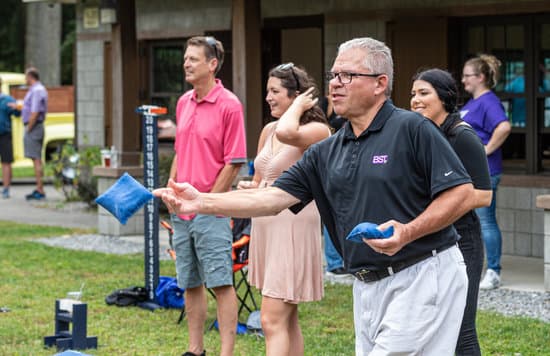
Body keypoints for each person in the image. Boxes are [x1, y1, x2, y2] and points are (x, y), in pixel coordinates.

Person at [155, 37, 476, 355]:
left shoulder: (412, 129)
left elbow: (461, 193)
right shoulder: (327, 151)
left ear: (380, 83)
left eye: (347, 76)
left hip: (422, 272)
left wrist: (408, 231)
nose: (335, 84)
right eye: (334, 76)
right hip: (366, 283)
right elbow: (270, 198)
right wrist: (201, 201)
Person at [237, 63, 329, 355]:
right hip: (267, 225)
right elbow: (260, 178)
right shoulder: (268, 130)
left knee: (270, 319)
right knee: (286, 319)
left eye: (275, 91)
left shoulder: (317, 130)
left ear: (297, 96)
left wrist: (299, 108)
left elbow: (290, 134)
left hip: (293, 225)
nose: (268, 97)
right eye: (267, 91)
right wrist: (250, 189)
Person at [168, 36, 247, 356]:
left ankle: (226, 353)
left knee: (221, 283)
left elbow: (235, 161)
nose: (186, 63)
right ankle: (195, 350)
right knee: (190, 282)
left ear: (212, 64)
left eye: (193, 59)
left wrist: (206, 202)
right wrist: (171, 189)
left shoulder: (230, 104)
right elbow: (178, 151)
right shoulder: (183, 101)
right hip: (180, 210)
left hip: (211, 210)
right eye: (185, 58)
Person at [411, 68, 492, 356]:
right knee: (432, 326)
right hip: (431, 241)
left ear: (444, 97)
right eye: (413, 94)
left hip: (462, 242)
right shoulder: (423, 134)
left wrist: (440, 209)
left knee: (461, 329)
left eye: (423, 93)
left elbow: (483, 195)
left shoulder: (462, 136)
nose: (415, 100)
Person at [461, 54, 512, 290]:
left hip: (486, 172)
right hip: (470, 174)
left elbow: (504, 126)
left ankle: (493, 271)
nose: (463, 81)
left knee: (486, 221)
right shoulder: (473, 102)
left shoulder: (488, 101)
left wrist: (485, 150)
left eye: (467, 76)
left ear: (480, 77)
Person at [318, 93, 346, 276]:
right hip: (328, 167)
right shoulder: (324, 110)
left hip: (343, 166)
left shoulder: (345, 110)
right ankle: (334, 262)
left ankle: (342, 260)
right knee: (332, 216)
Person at [20, 67, 48, 200]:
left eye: (26, 77)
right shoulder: (38, 89)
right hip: (35, 126)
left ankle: (40, 189)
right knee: (35, 158)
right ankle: (39, 187)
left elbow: (35, 111)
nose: (25, 80)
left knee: (36, 159)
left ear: (31, 77)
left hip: (34, 127)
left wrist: (28, 128)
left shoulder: (37, 90)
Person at [0, 78, 21, 199]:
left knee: (6, 162)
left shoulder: (7, 100)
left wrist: (18, 108)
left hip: (4, 135)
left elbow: (18, 113)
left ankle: (6, 188)